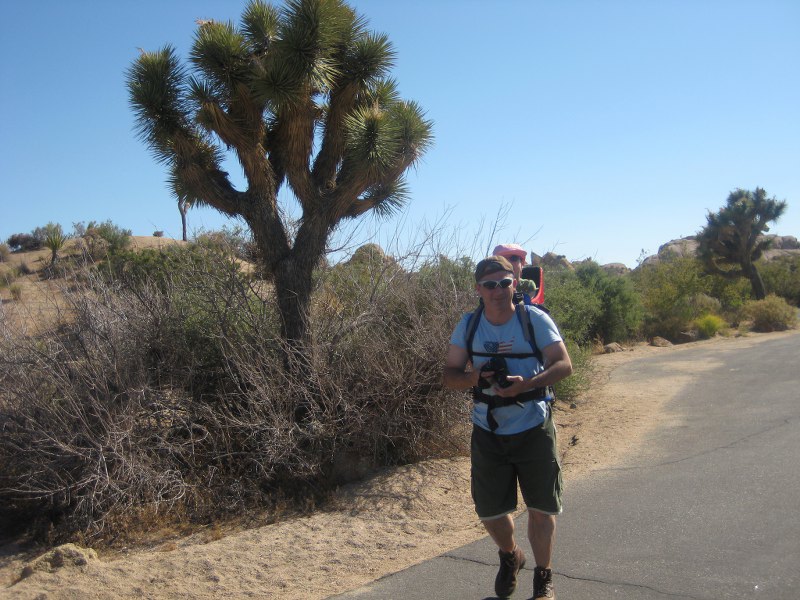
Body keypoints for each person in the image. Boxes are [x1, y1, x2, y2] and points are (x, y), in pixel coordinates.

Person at [442, 255, 572, 599]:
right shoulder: (469, 325)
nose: (498, 291)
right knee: (490, 511)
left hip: (533, 425)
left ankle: (543, 578)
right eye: (490, 285)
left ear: (514, 284)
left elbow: (564, 364)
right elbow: (449, 375)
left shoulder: (534, 320)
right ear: (478, 289)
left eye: (504, 283)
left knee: (541, 508)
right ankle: (511, 554)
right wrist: (473, 377)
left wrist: (527, 384)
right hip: (488, 430)